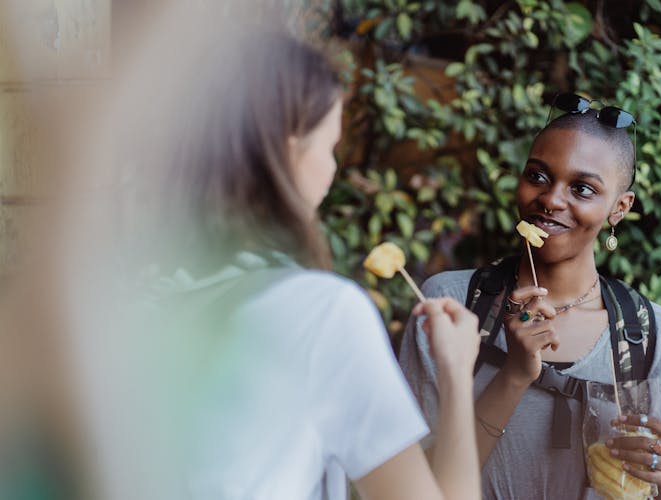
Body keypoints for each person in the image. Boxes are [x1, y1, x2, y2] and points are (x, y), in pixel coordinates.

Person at [73, 17, 483, 500]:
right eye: (331, 147)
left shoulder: (110, 304)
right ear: (288, 149)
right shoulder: (321, 313)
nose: (333, 170)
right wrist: (456, 373)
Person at [399, 96, 661, 499]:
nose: (551, 199)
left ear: (619, 207)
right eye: (538, 176)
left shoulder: (653, 335)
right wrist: (512, 375)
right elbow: (410, 487)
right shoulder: (451, 305)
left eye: (582, 188)